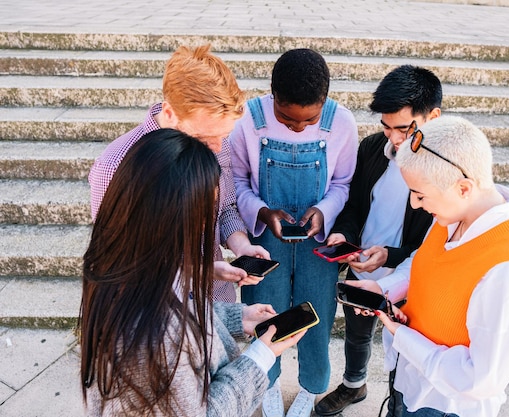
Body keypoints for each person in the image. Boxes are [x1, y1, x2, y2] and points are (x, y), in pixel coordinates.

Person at [79, 128, 305, 417]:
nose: (205, 224)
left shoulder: (127, 267)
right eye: (204, 210)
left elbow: (183, 311)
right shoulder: (155, 333)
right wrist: (260, 356)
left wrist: (237, 319)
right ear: (173, 216)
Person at [350, 116, 509, 417]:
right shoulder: (451, 214)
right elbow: (423, 262)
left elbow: (480, 379)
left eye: (420, 195)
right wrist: (383, 289)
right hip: (409, 378)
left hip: (445, 405)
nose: (414, 204)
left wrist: (404, 337)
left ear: (464, 188)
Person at [229, 48, 359, 417]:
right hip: (265, 239)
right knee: (265, 314)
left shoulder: (342, 123)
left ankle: (311, 388)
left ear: (325, 102)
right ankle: (265, 383)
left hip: (318, 243)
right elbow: (238, 181)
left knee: (316, 314)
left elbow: (344, 182)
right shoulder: (248, 121)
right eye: (287, 119)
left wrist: (324, 210)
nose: (299, 127)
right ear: (272, 96)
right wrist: (262, 211)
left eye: (308, 120)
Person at [88, 44, 268, 302]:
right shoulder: (116, 166)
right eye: (205, 139)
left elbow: (225, 207)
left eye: (224, 136)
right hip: (156, 311)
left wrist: (242, 246)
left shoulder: (215, 139)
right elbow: (118, 263)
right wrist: (201, 271)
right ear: (170, 113)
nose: (217, 148)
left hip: (216, 299)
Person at [315, 65, 441, 416]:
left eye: (403, 128)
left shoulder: (442, 167)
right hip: (362, 264)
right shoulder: (373, 148)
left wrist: (389, 256)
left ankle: (398, 402)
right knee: (356, 335)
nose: (394, 138)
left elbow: (436, 244)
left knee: (404, 348)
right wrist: (345, 236)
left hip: (413, 277)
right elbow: (354, 206)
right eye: (386, 127)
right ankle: (354, 385)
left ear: (433, 117)